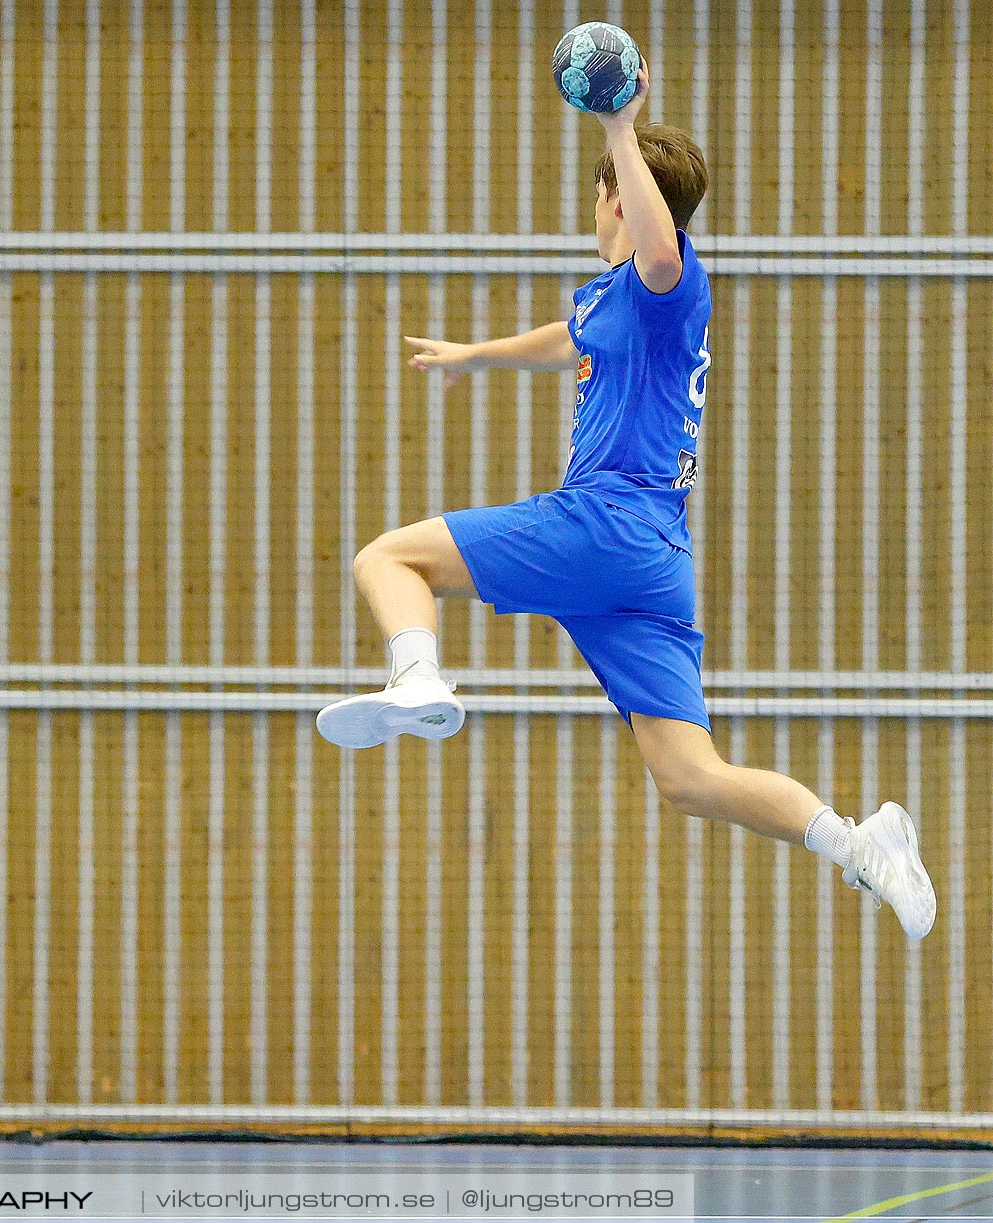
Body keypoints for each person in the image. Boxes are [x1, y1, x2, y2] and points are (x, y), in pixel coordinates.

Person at [316, 65, 935, 941]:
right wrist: (476, 354)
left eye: (605, 193)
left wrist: (618, 132)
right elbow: (562, 337)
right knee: (689, 776)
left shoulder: (667, 284)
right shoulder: (609, 301)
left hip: (606, 523)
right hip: (652, 564)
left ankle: (418, 679)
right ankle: (859, 843)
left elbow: (656, 247)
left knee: (388, 558)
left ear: (617, 200)